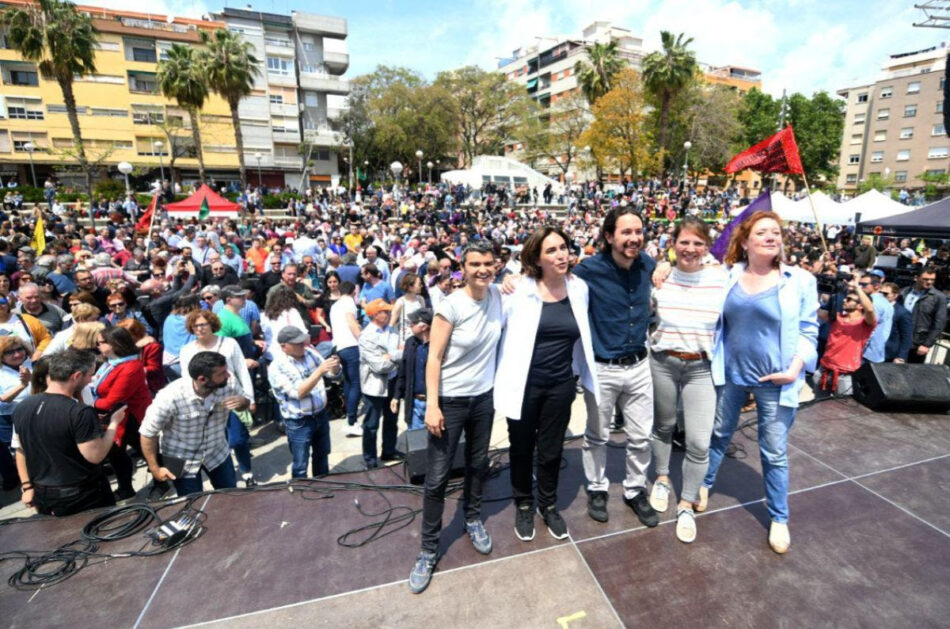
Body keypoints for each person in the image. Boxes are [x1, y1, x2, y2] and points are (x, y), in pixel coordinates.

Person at [702, 210, 819, 555]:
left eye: (776, 232)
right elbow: (691, 272)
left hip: (776, 379)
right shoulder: (728, 275)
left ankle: (779, 517)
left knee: (774, 450)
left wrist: (795, 369)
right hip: (731, 373)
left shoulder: (799, 280)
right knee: (720, 433)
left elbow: (809, 332)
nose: (771, 237)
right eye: (762, 232)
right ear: (746, 241)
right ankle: (704, 484)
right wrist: (665, 268)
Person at [409, 243, 502, 595]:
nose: (482, 269)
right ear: (462, 267)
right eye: (475, 264)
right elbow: (433, 358)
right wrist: (432, 405)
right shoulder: (451, 306)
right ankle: (429, 549)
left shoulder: (498, 296)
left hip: (484, 397)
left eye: (488, 263)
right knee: (437, 476)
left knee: (478, 463)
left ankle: (473, 517)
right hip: (451, 400)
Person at [495, 226, 598, 542]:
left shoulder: (579, 288)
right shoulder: (516, 291)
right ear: (536, 258)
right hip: (523, 385)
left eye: (564, 247)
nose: (561, 254)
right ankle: (524, 503)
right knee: (522, 447)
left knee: (552, 450)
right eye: (551, 250)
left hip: (561, 384)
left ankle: (548, 503)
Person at [571, 207, 659, 528]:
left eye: (638, 231)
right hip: (602, 368)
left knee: (640, 437)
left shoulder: (647, 264)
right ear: (609, 236)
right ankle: (597, 487)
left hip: (638, 365)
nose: (634, 238)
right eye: (626, 232)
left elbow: (664, 271)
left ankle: (635, 490)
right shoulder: (587, 271)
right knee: (597, 435)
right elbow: (552, 284)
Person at [647, 218, 727, 544]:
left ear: (706, 247)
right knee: (663, 426)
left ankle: (686, 502)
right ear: (673, 243)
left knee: (699, 442)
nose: (690, 249)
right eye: (684, 242)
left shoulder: (721, 279)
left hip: (701, 368)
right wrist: (659, 266)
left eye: (697, 243)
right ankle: (663, 477)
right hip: (662, 362)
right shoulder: (659, 279)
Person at [13, 348, 127, 516]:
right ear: (76, 376)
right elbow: (95, 455)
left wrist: (27, 486)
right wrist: (114, 424)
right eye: (89, 375)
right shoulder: (79, 412)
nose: (91, 380)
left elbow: (21, 449)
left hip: (44, 496)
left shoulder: (23, 407)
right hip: (83, 497)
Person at [140, 351, 251, 497]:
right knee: (192, 505)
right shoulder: (170, 397)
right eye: (222, 373)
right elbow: (148, 433)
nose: (228, 375)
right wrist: (155, 468)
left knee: (229, 495)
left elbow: (244, 404)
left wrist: (243, 403)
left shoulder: (229, 383)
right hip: (182, 458)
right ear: (203, 379)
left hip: (217, 452)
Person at [178, 310, 256, 487]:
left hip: (230, 395)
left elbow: (241, 370)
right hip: (204, 402)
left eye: (203, 324)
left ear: (211, 324)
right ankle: (226, 473)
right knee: (217, 442)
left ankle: (247, 472)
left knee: (238, 439)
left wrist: (249, 398)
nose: (199, 328)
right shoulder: (187, 350)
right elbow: (186, 378)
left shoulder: (229, 343)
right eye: (195, 325)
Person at [268, 326, 341, 478]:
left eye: (303, 341)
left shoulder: (310, 354)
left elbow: (331, 375)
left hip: (320, 415)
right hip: (299, 422)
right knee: (301, 464)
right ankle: (302, 497)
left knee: (322, 456)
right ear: (284, 346)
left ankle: (323, 487)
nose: (303, 345)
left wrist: (335, 368)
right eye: (298, 343)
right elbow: (298, 393)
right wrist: (319, 371)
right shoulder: (277, 367)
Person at [91, 326, 153, 501]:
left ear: (115, 343)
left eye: (102, 342)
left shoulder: (130, 366)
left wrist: (89, 401)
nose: (98, 346)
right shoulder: (111, 362)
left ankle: (161, 480)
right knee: (116, 454)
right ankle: (125, 489)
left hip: (132, 416)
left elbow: (113, 400)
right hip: (117, 417)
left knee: (145, 450)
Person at [358, 298, 403, 469]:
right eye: (386, 311)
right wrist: (396, 357)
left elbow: (402, 353)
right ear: (375, 315)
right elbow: (379, 366)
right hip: (374, 387)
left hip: (392, 383)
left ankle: (389, 451)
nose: (390, 313)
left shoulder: (393, 330)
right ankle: (370, 458)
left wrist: (392, 356)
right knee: (371, 424)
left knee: (392, 420)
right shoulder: (366, 337)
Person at [816, 279, 877, 396]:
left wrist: (857, 287)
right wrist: (821, 289)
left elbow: (869, 309)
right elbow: (817, 310)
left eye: (849, 299)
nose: (844, 300)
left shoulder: (865, 323)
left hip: (846, 374)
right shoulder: (836, 317)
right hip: (824, 369)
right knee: (818, 408)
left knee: (842, 412)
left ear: (860, 305)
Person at [329, 281, 363, 437]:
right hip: (351, 345)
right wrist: (363, 340)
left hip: (339, 346)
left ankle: (350, 417)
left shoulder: (335, 306)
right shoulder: (349, 303)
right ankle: (352, 421)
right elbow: (352, 323)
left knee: (349, 383)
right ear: (353, 292)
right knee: (355, 383)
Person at [392, 309, 432, 430]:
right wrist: (396, 396)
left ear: (424, 326)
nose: (410, 325)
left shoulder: (438, 344)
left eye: (413, 323)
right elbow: (403, 372)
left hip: (434, 403)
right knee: (416, 444)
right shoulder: (410, 343)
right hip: (414, 403)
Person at [0, 336, 31, 490]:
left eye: (20, 349)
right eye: (9, 352)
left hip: (35, 413)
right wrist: (23, 385)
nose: (17, 354)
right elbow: (3, 400)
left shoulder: (34, 364)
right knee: (18, 453)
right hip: (8, 419)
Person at [900, 266, 947, 363]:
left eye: (932, 279)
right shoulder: (904, 292)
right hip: (899, 340)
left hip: (917, 344)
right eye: (925, 279)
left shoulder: (938, 298)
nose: (929, 282)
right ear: (916, 278)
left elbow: (939, 323)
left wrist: (927, 344)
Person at [261, 284, 309, 364]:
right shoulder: (292, 312)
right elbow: (304, 335)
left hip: (269, 355)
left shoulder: (264, 315)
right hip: (286, 355)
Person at [858, 272, 892, 364]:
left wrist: (859, 349)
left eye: (864, 284)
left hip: (866, 352)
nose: (860, 287)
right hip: (876, 350)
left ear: (876, 286)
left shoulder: (873, 302)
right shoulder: (885, 301)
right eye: (859, 284)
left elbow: (870, 328)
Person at [881, 282, 913, 363]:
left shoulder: (902, 313)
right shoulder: (877, 307)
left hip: (889, 354)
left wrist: (901, 357)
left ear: (895, 295)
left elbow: (907, 336)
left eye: (885, 293)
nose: (882, 295)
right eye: (880, 293)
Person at [390, 273, 425, 342]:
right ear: (410, 287)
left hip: (420, 338)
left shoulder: (421, 299)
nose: (421, 286)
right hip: (405, 340)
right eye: (419, 284)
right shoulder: (400, 302)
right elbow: (392, 323)